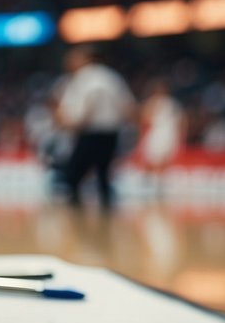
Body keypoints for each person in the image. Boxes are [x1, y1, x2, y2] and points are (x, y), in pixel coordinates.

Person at [55, 45, 135, 209]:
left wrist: (70, 123)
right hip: (111, 133)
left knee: (73, 178)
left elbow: (78, 111)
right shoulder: (113, 77)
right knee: (103, 177)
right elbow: (128, 107)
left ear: (84, 59)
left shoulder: (82, 79)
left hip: (90, 133)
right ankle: (107, 222)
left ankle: (78, 222)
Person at [137, 79, 184, 189]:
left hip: (165, 135)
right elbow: (144, 120)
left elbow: (180, 121)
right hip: (157, 134)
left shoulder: (171, 104)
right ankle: (151, 184)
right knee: (154, 160)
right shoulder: (154, 103)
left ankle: (158, 185)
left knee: (162, 161)